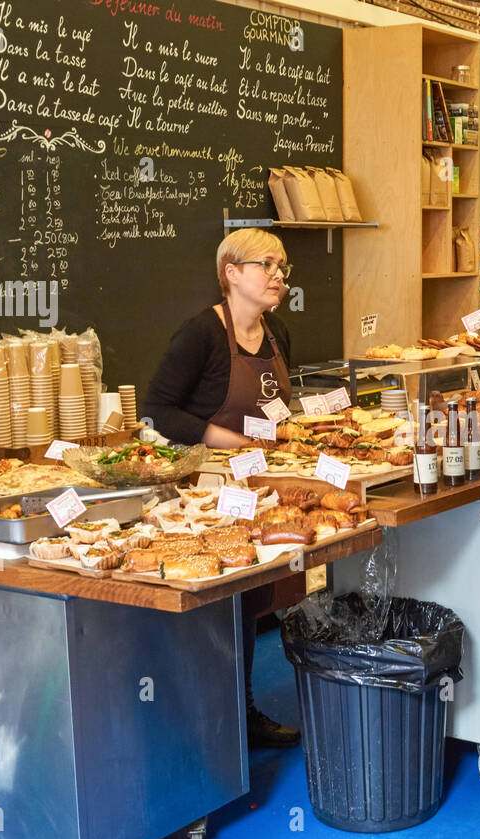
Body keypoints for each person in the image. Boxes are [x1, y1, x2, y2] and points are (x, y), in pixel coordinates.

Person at [143, 228, 301, 749]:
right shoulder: (201, 334)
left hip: (263, 482)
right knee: (216, 597)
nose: (278, 275)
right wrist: (224, 438)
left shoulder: (278, 336)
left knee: (253, 595)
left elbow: (280, 408)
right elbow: (160, 409)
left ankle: (241, 711)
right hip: (210, 490)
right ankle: (208, 721)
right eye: (267, 265)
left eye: (282, 266)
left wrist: (291, 433)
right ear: (231, 272)